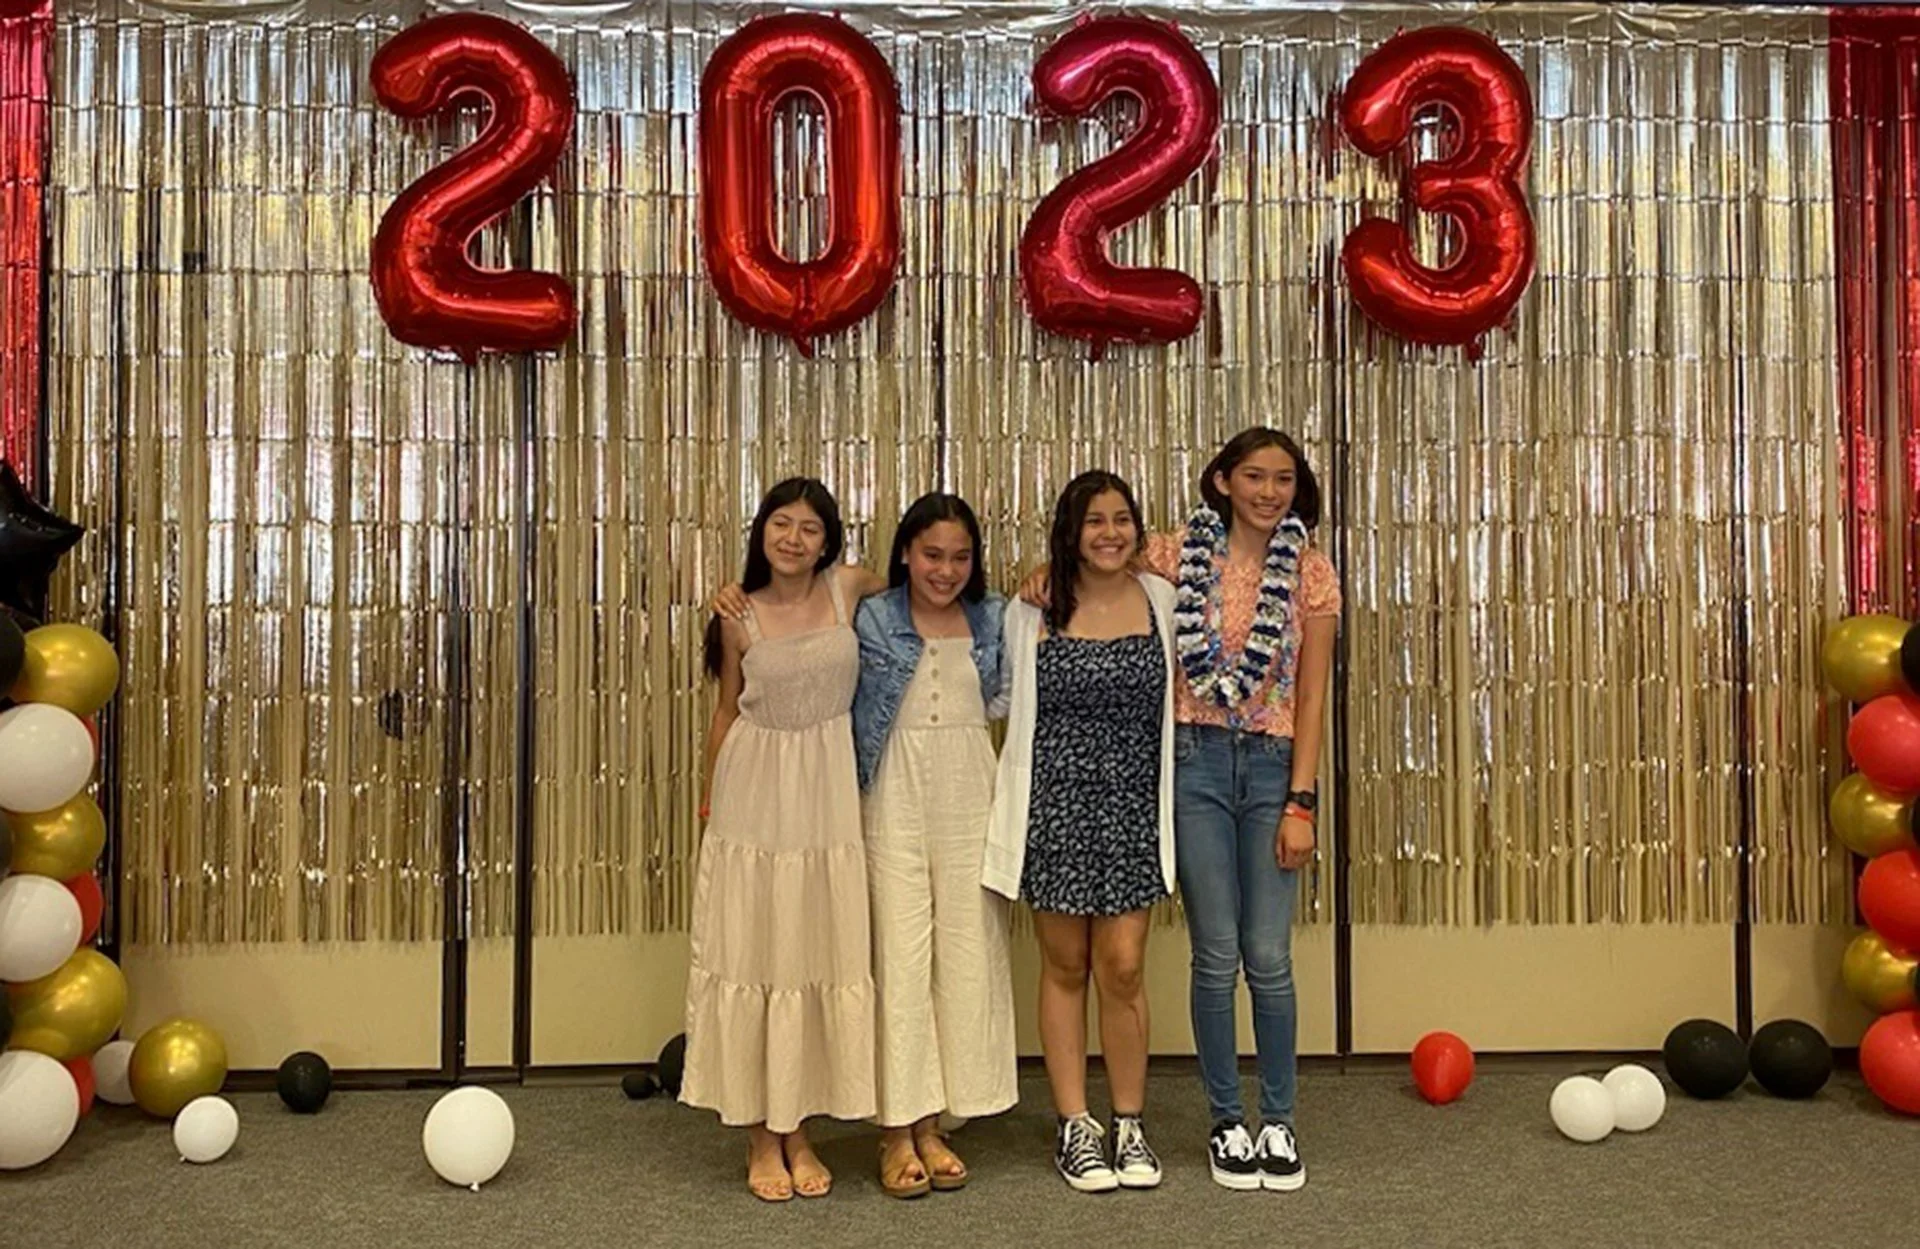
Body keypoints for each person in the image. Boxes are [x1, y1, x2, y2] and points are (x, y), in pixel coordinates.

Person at [1027, 429, 1339, 1191]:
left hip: (1272, 765)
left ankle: (1278, 1119)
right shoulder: (1173, 553)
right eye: (1254, 476)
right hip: (1193, 762)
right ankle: (1226, 1120)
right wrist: (1043, 574)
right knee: (1214, 953)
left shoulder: (1312, 571)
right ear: (1223, 480)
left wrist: (1302, 800)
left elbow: (1312, 695)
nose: (1269, 492)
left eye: (1283, 479)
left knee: (1268, 956)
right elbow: (1096, 559)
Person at [681, 477, 887, 1202]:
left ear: (828, 540)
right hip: (756, 791)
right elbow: (726, 710)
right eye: (781, 523)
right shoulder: (738, 612)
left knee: (814, 945)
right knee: (757, 947)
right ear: (761, 529)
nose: (793, 538)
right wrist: (711, 794)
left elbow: (930, 582)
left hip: (826, 792)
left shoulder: (849, 588)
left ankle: (799, 1127)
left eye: (809, 527)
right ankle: (761, 1135)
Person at [985, 470, 1179, 1194]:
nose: (1109, 532)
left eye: (1121, 518)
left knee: (1122, 966)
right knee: (1065, 964)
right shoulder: (1030, 608)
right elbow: (998, 694)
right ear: (1070, 531)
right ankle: (1074, 1123)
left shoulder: (1162, 599)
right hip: (1054, 807)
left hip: (1133, 805)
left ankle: (1128, 1121)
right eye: (1094, 520)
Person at [851, 492, 1017, 1198]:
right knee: (899, 952)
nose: (945, 570)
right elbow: (817, 592)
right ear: (905, 553)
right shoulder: (872, 613)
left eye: (960, 557)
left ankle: (939, 1118)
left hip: (970, 789)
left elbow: (1006, 695)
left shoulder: (996, 615)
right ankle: (898, 1126)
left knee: (968, 947)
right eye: (930, 555)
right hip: (892, 786)